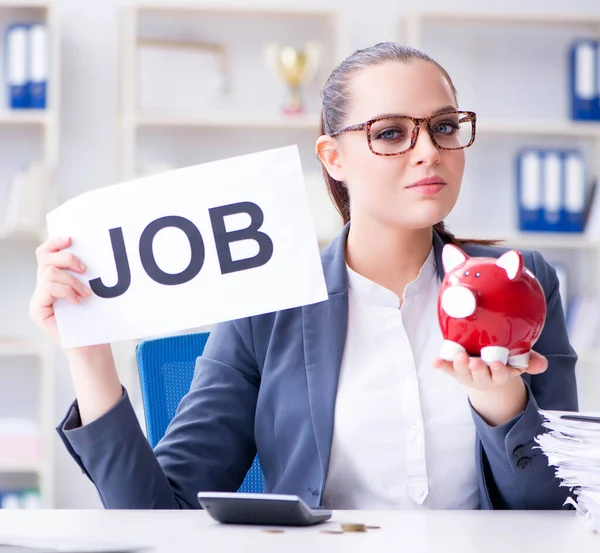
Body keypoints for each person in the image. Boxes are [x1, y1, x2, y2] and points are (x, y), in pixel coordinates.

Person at [30, 42, 578, 511]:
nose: (430, 153)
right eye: (390, 134)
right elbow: (156, 513)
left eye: (443, 127)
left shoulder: (522, 284)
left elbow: (560, 510)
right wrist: (90, 355)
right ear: (333, 157)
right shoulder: (267, 299)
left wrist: (506, 405)